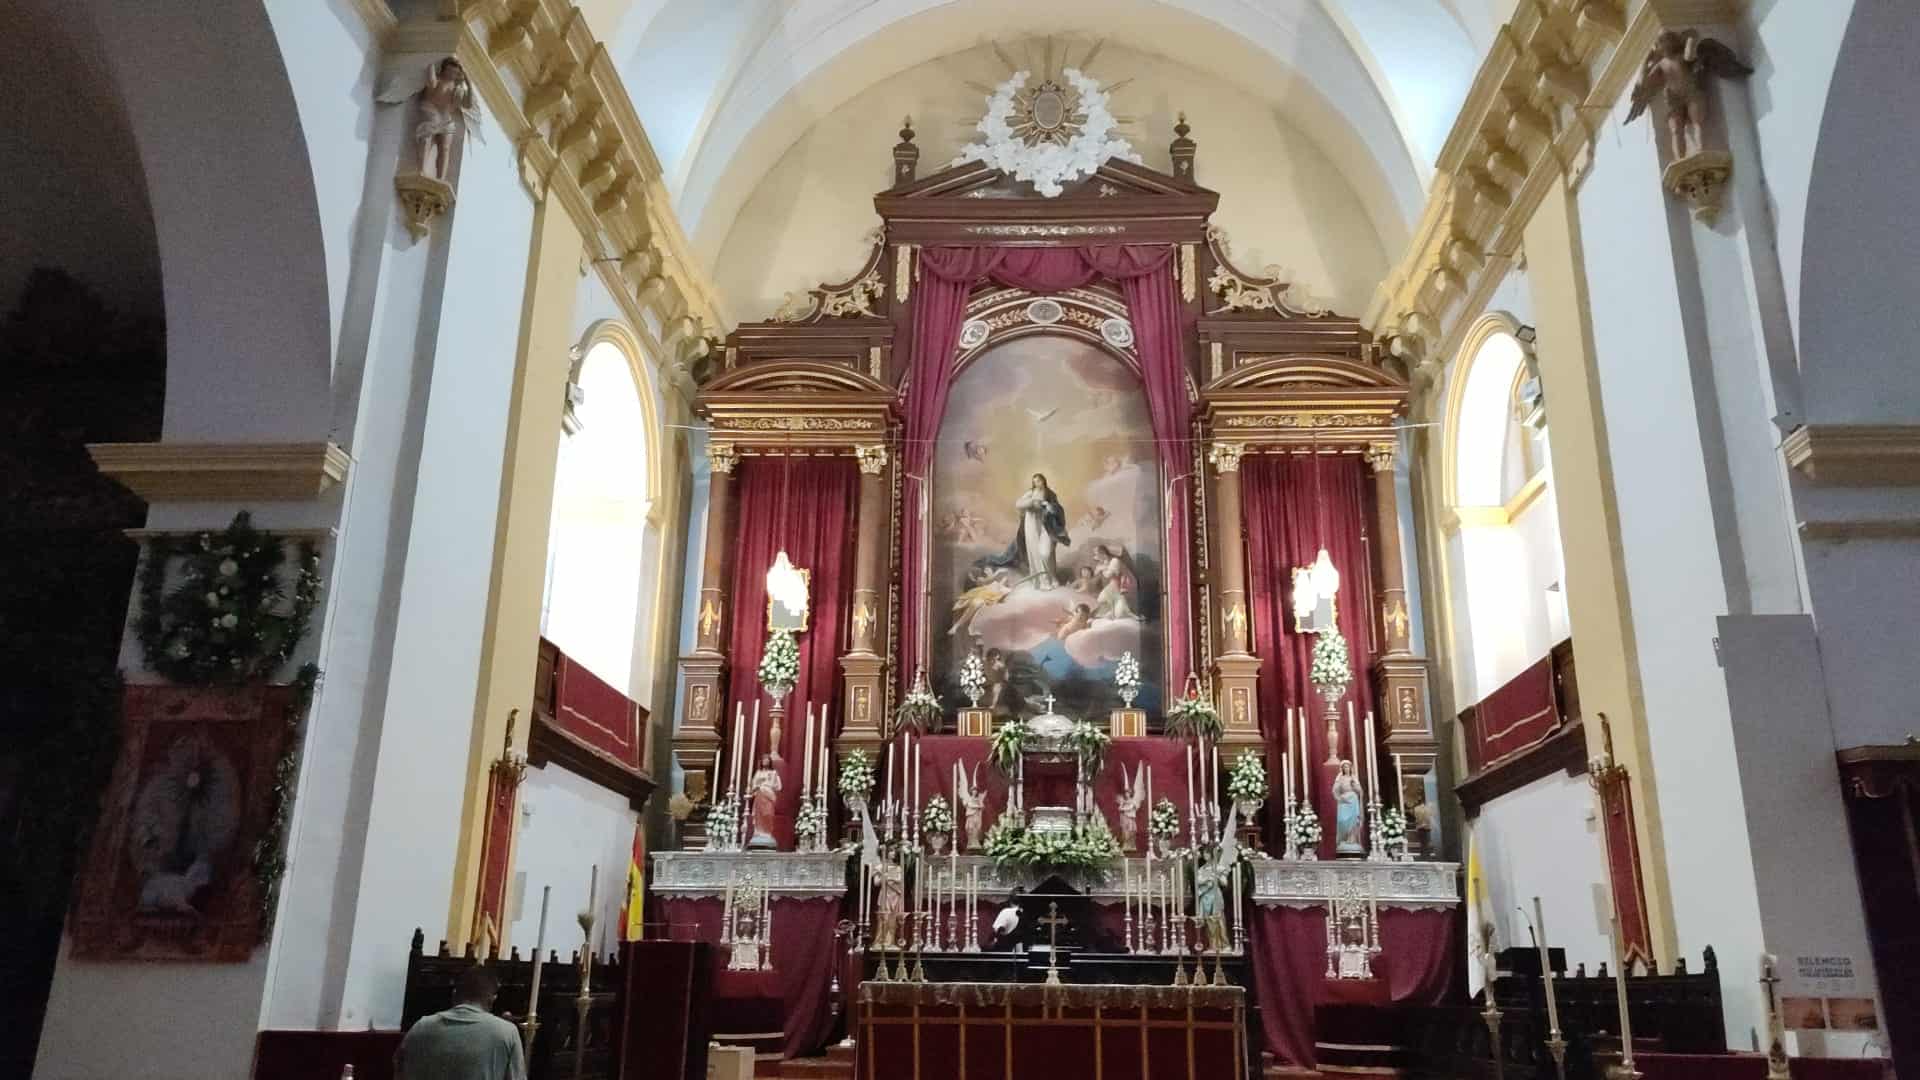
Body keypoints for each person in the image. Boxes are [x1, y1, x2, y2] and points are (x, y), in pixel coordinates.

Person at [394, 964, 526, 1080]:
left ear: (454, 993)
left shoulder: (421, 1026)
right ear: (492, 999)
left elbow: (400, 1072)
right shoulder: (507, 1033)